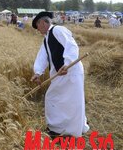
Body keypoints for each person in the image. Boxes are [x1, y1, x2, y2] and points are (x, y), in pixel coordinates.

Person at [30, 11, 90, 139]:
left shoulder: (58, 30)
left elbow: (71, 45)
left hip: (71, 71)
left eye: (38, 26)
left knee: (70, 102)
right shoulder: (46, 39)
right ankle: (58, 128)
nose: (38, 30)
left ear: (43, 22)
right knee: (55, 98)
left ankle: (70, 130)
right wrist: (37, 73)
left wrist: (67, 63)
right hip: (60, 74)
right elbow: (42, 57)